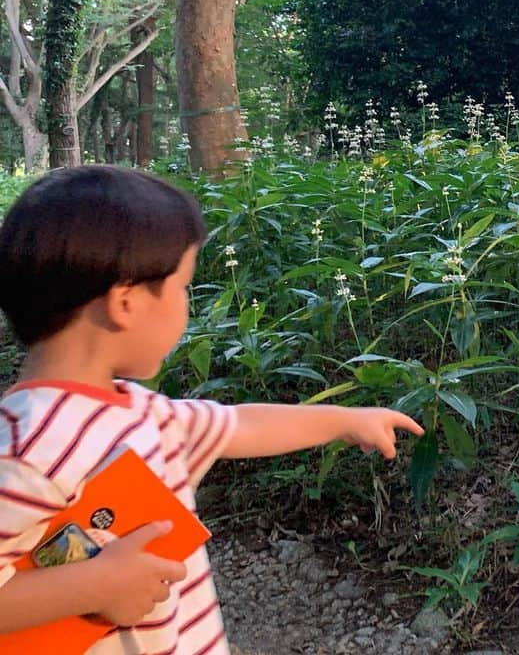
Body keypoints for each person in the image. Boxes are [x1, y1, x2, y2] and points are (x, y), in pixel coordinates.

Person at [0, 165, 424, 653]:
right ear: (126, 303)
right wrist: (96, 584)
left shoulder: (137, 411)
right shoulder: (32, 444)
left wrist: (344, 420)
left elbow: (238, 424)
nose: (186, 306)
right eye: (182, 289)